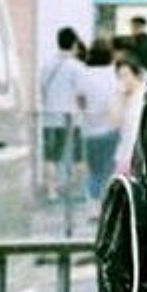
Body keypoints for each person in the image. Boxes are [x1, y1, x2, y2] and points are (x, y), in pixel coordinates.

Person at [39, 26, 88, 202]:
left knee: (50, 155)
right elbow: (81, 95)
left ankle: (51, 191)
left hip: (49, 116)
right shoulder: (77, 67)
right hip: (71, 118)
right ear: (74, 44)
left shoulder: (47, 65)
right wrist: (85, 110)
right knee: (78, 156)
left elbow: (42, 90)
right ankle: (72, 189)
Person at [79, 38, 120, 206]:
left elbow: (80, 99)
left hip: (89, 130)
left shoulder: (84, 74)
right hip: (111, 129)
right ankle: (107, 204)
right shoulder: (114, 74)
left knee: (93, 170)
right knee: (109, 169)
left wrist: (88, 114)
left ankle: (93, 205)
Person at [110, 58, 145, 176]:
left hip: (141, 155)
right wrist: (120, 98)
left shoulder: (145, 94)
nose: (122, 80)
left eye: (125, 75)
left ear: (136, 74)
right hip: (125, 154)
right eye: (119, 76)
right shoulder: (121, 97)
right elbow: (115, 123)